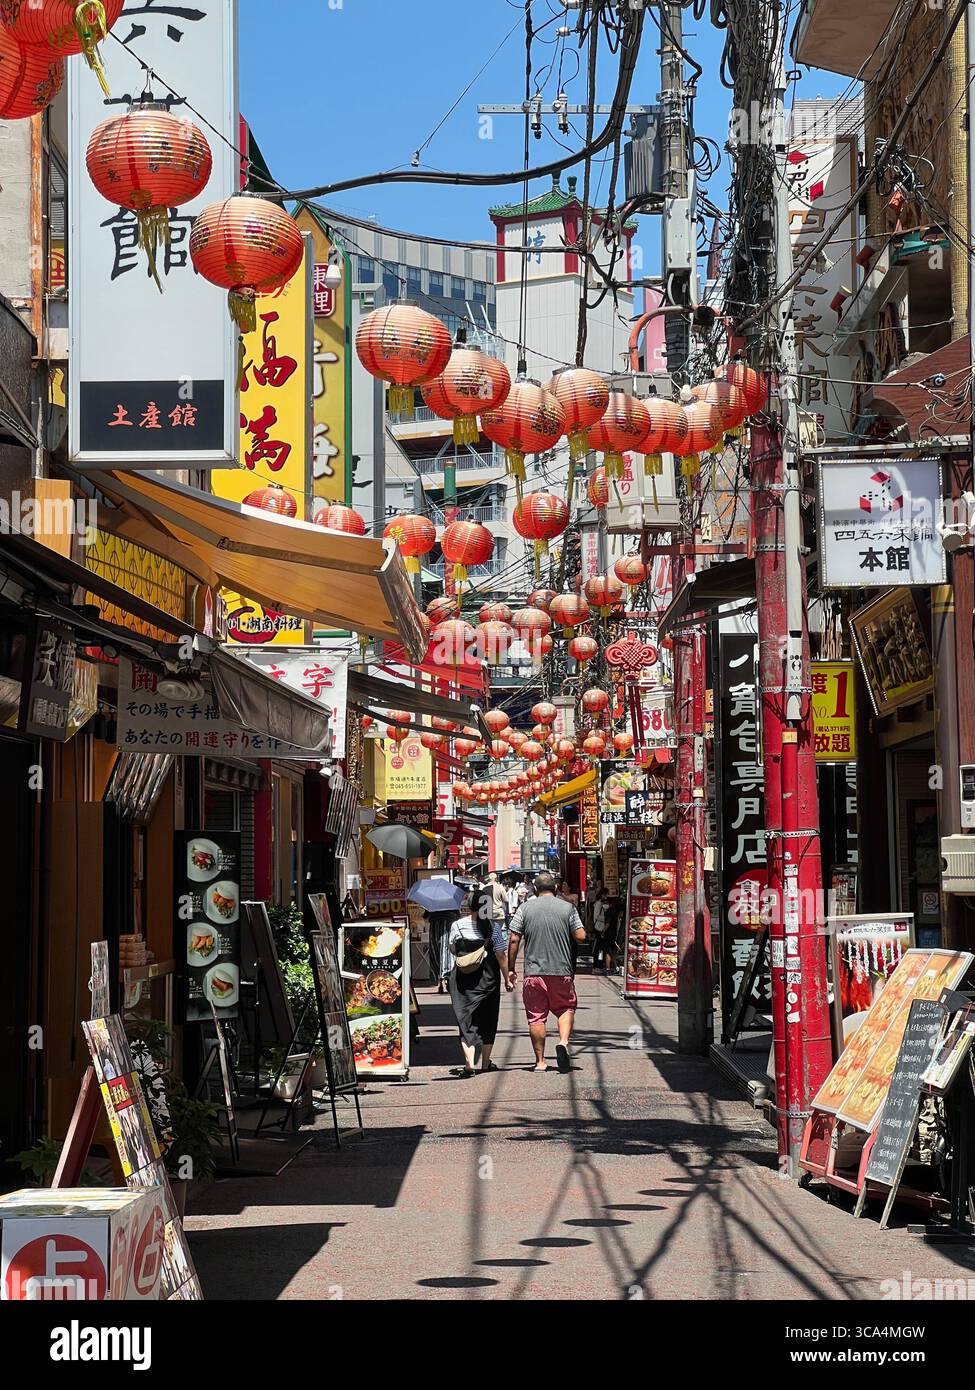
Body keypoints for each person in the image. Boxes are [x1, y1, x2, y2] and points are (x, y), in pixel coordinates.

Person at [507, 871, 586, 1073]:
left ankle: (540, 1061)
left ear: (535, 888)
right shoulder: (567, 908)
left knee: (536, 1017)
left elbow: (514, 939)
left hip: (533, 972)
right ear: (556, 888)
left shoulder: (524, 909)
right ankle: (563, 1041)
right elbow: (581, 936)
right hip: (561, 970)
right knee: (565, 1008)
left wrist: (510, 969)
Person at [448, 885, 511, 1076]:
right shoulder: (494, 927)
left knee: (465, 1020)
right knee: (488, 1020)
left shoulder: (457, 925)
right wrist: (508, 978)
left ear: (469, 905)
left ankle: (469, 1064)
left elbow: (452, 949)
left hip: (463, 980)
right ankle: (485, 1063)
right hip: (489, 979)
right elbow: (501, 954)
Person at [591, 886, 610, 972]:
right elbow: (595, 917)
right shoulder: (598, 904)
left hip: (602, 928)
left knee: (601, 948)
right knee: (599, 948)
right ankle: (597, 965)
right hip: (599, 928)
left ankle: (600, 964)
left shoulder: (605, 904)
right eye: (606, 894)